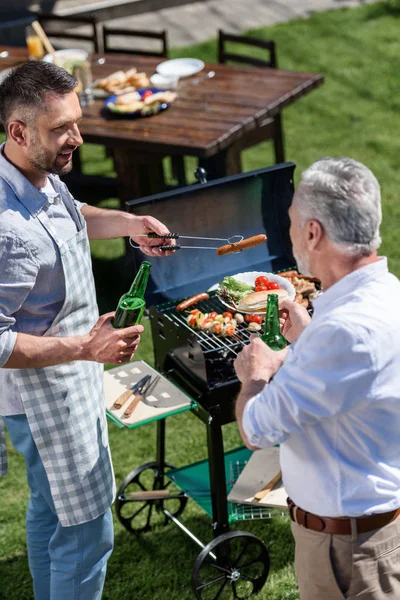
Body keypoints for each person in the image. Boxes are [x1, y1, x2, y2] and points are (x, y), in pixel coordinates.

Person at [0, 60, 174, 600]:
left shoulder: (31, 173)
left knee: (50, 512)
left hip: (67, 378)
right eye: (61, 129)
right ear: (18, 131)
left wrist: (127, 224)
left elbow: (69, 211)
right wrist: (86, 346)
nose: (76, 137)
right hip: (43, 393)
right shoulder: (8, 231)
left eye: (76, 122)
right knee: (87, 530)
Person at [234, 157, 400, 600]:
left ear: (312, 232)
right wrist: (308, 338)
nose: (289, 233)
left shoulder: (343, 332)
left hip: (347, 549)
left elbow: (256, 428)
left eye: (290, 222)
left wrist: (256, 375)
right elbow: (358, 384)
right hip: (370, 531)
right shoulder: (388, 294)